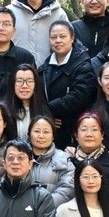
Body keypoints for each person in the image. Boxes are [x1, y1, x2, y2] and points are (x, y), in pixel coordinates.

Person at [40, 21, 95, 149]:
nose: (58, 40)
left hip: (74, 131)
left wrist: (47, 110)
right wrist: (46, 116)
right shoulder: (45, 67)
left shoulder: (83, 65)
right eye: (53, 37)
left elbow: (80, 96)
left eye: (62, 36)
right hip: (49, 130)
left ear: (72, 38)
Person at [7, 0, 69, 64]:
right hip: (16, 71)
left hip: (51, 71)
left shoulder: (58, 14)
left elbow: (67, 47)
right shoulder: (9, 13)